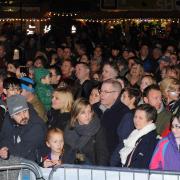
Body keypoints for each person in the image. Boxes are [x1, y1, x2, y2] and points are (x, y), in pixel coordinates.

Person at [93, 79, 134, 157]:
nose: (101, 94)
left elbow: (123, 143)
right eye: (101, 91)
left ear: (116, 95)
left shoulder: (124, 114)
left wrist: (112, 162)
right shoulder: (94, 108)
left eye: (106, 92)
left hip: (109, 161)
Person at [0, 94, 46, 162]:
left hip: (31, 164)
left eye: (25, 111)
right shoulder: (9, 119)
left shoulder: (36, 126)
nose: (23, 116)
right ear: (11, 116)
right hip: (14, 160)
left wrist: (7, 152)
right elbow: (4, 138)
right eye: (18, 114)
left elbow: (21, 152)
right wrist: (4, 148)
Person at [64, 98, 109, 166]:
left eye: (89, 111)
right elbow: (66, 151)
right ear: (76, 115)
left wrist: (100, 172)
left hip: (92, 169)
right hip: (71, 167)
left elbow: (102, 154)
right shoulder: (69, 128)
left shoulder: (97, 129)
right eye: (83, 112)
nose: (87, 115)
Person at [119, 104, 158, 168]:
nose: (136, 120)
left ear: (150, 121)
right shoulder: (135, 133)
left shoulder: (151, 139)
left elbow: (141, 163)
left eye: (140, 118)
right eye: (135, 116)